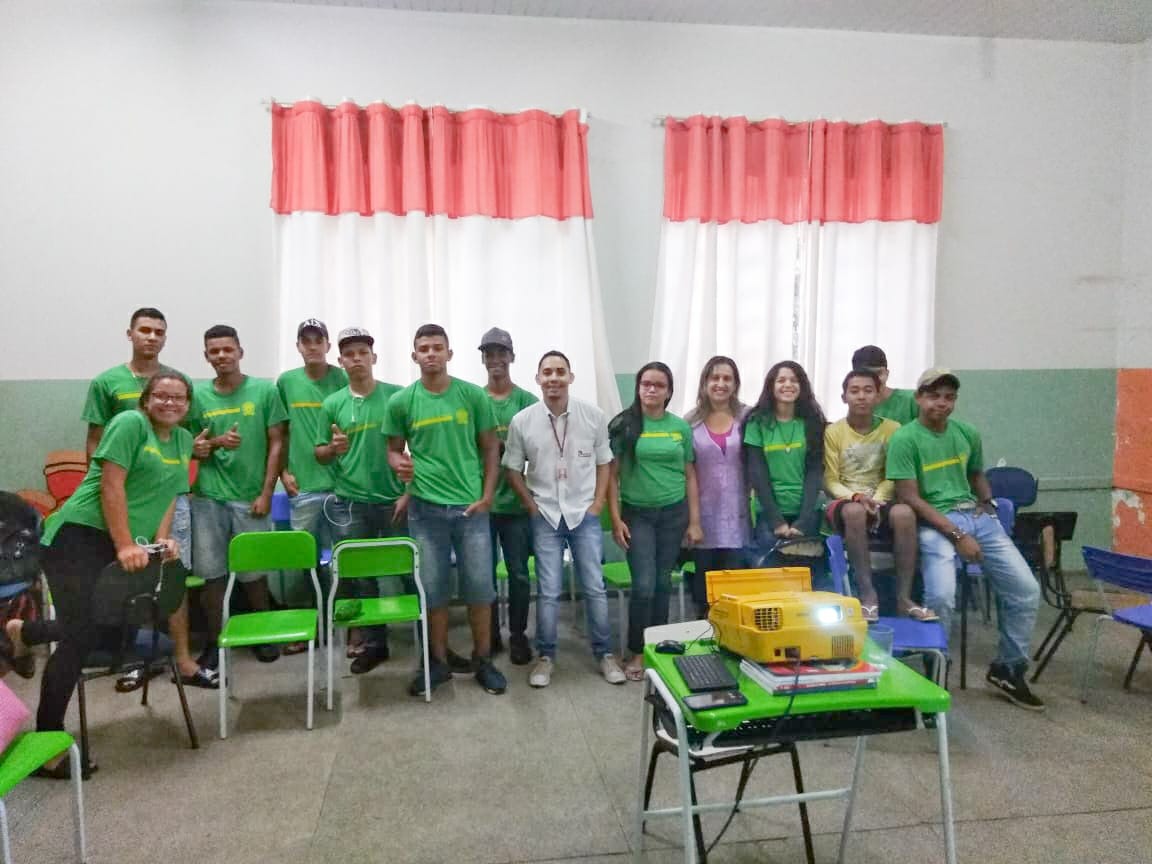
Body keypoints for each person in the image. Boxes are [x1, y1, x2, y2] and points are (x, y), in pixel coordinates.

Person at [9, 373, 193, 778]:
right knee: (79, 637)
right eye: (161, 395)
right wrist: (127, 543)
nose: (170, 402)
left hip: (123, 541)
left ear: (188, 405)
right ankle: (48, 745)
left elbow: (170, 494)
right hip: (78, 537)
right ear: (146, 401)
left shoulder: (182, 439)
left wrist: (162, 542)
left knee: (111, 631)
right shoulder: (129, 424)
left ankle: (27, 633)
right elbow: (112, 485)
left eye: (179, 397)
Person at [887, 369, 1044, 711]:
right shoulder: (904, 439)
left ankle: (1008, 668)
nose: (941, 403)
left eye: (948, 397)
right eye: (933, 396)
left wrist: (986, 503)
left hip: (976, 518)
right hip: (935, 523)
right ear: (918, 399)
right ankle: (936, 668)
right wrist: (957, 534)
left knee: (1026, 590)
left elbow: (976, 473)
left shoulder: (967, 433)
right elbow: (910, 498)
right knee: (942, 595)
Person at [79, 307, 209, 690]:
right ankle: (138, 658)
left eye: (159, 332)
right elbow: (94, 439)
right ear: (130, 334)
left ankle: (183, 659)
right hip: (119, 501)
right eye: (145, 330)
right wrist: (98, 487)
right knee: (131, 579)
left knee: (171, 575)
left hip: (168, 498)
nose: (151, 337)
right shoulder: (109, 382)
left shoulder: (178, 384)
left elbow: (188, 440)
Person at [383, 324, 507, 697]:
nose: (431, 353)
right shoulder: (402, 402)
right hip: (425, 511)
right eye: (424, 348)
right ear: (414, 355)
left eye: (438, 347)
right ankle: (436, 664)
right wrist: (397, 463)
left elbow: (490, 449)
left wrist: (486, 496)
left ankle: (483, 661)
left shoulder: (472, 396)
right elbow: (392, 449)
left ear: (450, 354)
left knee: (480, 590)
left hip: (472, 510)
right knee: (433, 591)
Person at [503, 350, 625, 687]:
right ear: (538, 379)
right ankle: (546, 657)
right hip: (545, 514)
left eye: (560, 372)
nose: (554, 378)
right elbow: (512, 467)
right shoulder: (523, 421)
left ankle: (604, 654)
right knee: (549, 590)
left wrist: (598, 503)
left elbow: (605, 462)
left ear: (571, 377)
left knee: (594, 587)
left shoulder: (593, 416)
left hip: (584, 511)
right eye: (547, 372)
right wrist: (530, 505)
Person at [190, 325, 288, 668]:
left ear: (240, 352)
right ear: (206, 356)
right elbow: (186, 445)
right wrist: (207, 445)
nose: (221, 356)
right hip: (206, 498)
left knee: (255, 573)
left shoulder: (264, 390)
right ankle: (216, 643)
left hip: (251, 497)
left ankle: (262, 634)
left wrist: (266, 492)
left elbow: (278, 442)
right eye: (214, 351)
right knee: (211, 575)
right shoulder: (196, 395)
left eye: (227, 350)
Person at [314, 328, 405, 675]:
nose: (356, 359)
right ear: (340, 361)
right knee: (362, 577)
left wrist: (408, 492)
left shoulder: (396, 398)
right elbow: (319, 454)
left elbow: (417, 447)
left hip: (394, 500)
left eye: (362, 352)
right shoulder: (332, 404)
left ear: (373, 357)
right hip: (349, 502)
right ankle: (375, 643)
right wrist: (332, 449)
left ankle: (428, 643)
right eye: (349, 354)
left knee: (406, 570)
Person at [608, 362, 702, 681]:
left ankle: (657, 649)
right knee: (644, 585)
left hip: (674, 515)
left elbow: (690, 474)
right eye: (646, 383)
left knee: (663, 583)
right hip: (638, 515)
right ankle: (635, 651)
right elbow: (611, 476)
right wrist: (617, 518)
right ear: (638, 388)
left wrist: (694, 521)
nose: (651, 389)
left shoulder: (681, 427)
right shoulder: (624, 425)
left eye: (658, 385)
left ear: (669, 391)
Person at [824, 369, 935, 623]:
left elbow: (894, 472)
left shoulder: (893, 429)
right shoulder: (834, 432)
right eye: (854, 391)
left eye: (868, 390)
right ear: (844, 397)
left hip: (883, 498)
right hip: (847, 500)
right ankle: (868, 595)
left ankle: (904, 598)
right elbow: (830, 479)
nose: (861, 396)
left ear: (878, 397)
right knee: (854, 513)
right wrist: (856, 497)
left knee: (905, 513)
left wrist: (879, 497)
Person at [478, 327, 538, 665]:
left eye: (501, 353)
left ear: (512, 357)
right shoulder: (474, 399)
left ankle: (518, 636)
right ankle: (489, 637)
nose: (495, 359)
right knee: (482, 573)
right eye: (489, 354)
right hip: (483, 503)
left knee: (517, 572)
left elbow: (539, 452)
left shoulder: (527, 402)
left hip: (515, 504)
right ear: (483, 359)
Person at [276, 319, 347, 590]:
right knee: (307, 560)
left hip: (342, 486)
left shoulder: (342, 379)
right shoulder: (287, 382)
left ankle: (345, 622)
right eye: (307, 341)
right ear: (298, 346)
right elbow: (280, 432)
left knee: (345, 556)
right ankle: (317, 619)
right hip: (303, 487)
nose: (313, 346)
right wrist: (284, 473)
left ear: (328, 345)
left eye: (319, 340)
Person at [743, 361, 827, 580]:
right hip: (769, 515)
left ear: (802, 386)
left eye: (794, 380)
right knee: (771, 582)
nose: (787, 385)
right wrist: (777, 521)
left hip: (807, 513)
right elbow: (757, 473)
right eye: (781, 380)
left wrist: (803, 520)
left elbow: (814, 473)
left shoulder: (813, 422)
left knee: (810, 583)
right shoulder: (756, 422)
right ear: (771, 386)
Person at [683, 356, 750, 617]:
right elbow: (687, 472)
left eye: (727, 379)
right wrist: (693, 521)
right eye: (715, 378)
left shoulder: (748, 418)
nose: (720, 384)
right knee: (705, 593)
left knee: (735, 593)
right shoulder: (690, 422)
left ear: (735, 384)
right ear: (704, 383)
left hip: (738, 516)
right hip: (703, 517)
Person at [851, 345, 919, 426]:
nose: (874, 380)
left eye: (878, 373)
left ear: (887, 373)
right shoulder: (858, 409)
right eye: (867, 375)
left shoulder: (912, 400)